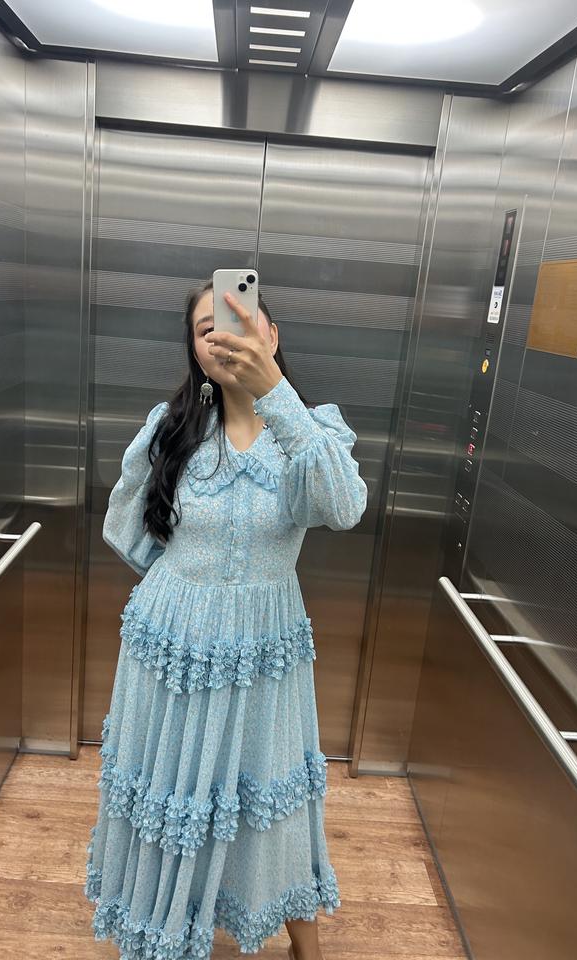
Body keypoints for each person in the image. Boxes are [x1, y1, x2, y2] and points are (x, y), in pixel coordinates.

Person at [84, 278, 368, 960]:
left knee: (272, 792)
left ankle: (305, 946)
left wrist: (277, 395)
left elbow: (345, 507)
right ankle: (162, 931)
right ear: (193, 349)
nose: (222, 336)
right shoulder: (171, 428)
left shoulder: (312, 431)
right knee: (171, 790)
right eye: (205, 328)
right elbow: (126, 529)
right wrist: (189, 583)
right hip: (172, 648)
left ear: (271, 335)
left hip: (265, 649)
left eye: (238, 319)